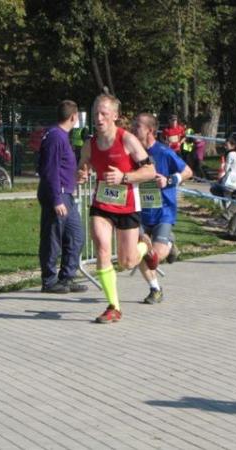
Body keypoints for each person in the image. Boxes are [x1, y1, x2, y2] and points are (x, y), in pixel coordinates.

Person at [78, 94, 158, 324]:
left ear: (115, 116)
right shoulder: (90, 144)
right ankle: (114, 307)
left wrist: (124, 177)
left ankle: (145, 247)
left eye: (104, 113)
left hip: (127, 204)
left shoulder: (127, 140)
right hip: (102, 203)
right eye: (96, 114)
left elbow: (150, 172)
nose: (99, 118)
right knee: (102, 249)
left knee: (127, 262)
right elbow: (83, 165)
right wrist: (81, 173)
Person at [133, 113, 193, 304]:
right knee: (139, 253)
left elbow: (188, 171)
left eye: (137, 126)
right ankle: (155, 289)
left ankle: (168, 243)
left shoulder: (164, 152)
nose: (133, 129)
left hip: (163, 212)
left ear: (149, 130)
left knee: (154, 256)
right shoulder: (133, 153)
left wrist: (169, 180)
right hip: (140, 212)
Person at [37, 100, 87, 294]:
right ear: (74, 117)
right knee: (52, 238)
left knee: (76, 236)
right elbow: (50, 170)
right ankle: (49, 281)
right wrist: (56, 199)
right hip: (57, 195)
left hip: (67, 193)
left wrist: (75, 177)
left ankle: (67, 277)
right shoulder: (56, 137)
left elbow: (62, 167)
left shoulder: (61, 136)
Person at [210, 136, 236, 220]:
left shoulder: (230, 154)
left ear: (233, 145)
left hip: (231, 182)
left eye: (227, 145)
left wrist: (223, 166)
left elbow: (226, 169)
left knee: (223, 196)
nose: (225, 147)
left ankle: (225, 217)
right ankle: (227, 216)